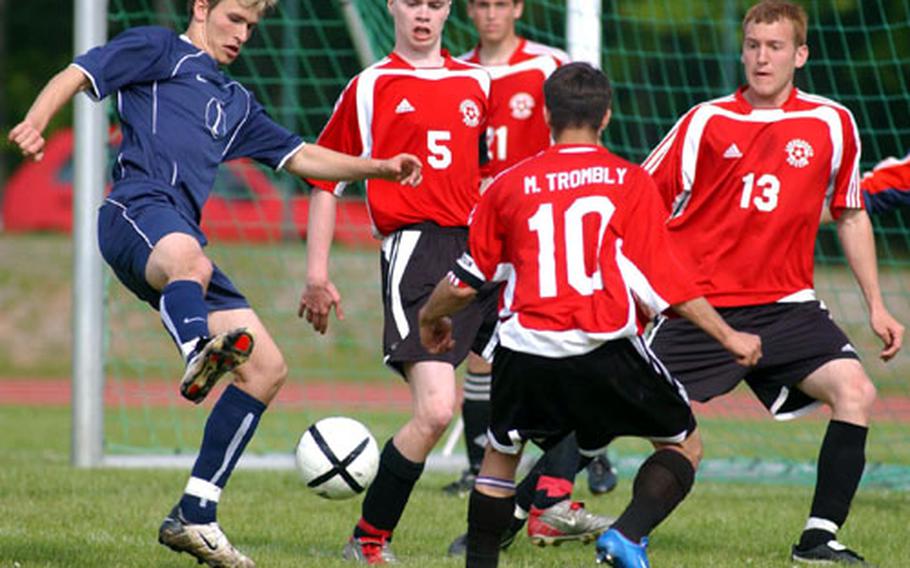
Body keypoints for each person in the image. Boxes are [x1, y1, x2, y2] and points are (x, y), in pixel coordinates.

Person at [8, 1, 422, 566]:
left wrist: (376, 167)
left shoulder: (234, 102)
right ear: (202, 6)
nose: (243, 35)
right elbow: (78, 73)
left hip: (181, 239)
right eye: (234, 19)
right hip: (134, 212)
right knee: (192, 263)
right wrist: (36, 119)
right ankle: (197, 349)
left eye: (252, 26)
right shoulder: (158, 48)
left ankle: (195, 513)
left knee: (267, 368)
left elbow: (303, 157)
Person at [418, 61, 763, 568]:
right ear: (606, 117)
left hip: (526, 350)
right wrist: (729, 335)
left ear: (545, 115)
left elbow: (467, 281)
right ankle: (627, 534)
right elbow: (665, 284)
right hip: (605, 347)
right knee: (683, 446)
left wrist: (431, 317)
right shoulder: (630, 183)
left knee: (499, 462)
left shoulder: (507, 186)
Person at [641, 1, 904, 565]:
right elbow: (640, 200)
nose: (763, 58)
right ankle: (530, 504)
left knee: (855, 392)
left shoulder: (832, 122)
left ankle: (818, 537)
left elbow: (851, 213)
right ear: (743, 51)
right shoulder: (705, 121)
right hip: (704, 307)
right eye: (754, 46)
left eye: (776, 47)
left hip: (787, 308)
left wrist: (877, 306)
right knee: (620, 402)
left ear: (800, 55)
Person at [298, 0, 492, 563]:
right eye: (412, 2)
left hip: (483, 251)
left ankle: (536, 511)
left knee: (545, 384)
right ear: (393, 7)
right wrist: (316, 274)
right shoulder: (370, 86)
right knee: (435, 411)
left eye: (435, 3)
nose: (423, 14)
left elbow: (485, 174)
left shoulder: (479, 83)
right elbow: (323, 181)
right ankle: (368, 540)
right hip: (417, 253)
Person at [444, 0, 614, 556]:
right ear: (470, 10)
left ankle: (575, 457)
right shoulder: (457, 71)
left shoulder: (545, 65)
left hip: (538, 227)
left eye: (501, 3)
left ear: (516, 8)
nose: (491, 14)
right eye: (482, 4)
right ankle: (482, 471)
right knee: (481, 354)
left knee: (554, 345)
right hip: (482, 226)